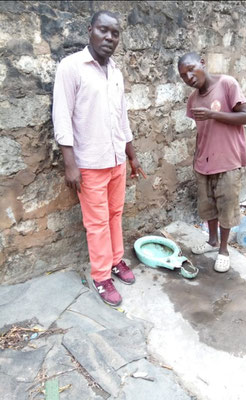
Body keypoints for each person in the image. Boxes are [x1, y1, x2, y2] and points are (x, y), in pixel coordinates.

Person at [52, 10, 146, 306]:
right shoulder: (72, 67)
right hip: (89, 163)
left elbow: (122, 119)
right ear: (90, 31)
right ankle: (102, 276)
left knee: (115, 214)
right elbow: (62, 116)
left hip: (116, 158)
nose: (109, 37)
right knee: (96, 222)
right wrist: (71, 165)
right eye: (103, 31)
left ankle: (117, 260)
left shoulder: (114, 71)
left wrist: (132, 157)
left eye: (114, 33)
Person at [178, 52, 246, 273]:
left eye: (191, 69)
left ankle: (223, 250)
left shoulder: (227, 84)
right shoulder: (193, 100)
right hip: (204, 161)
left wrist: (213, 114)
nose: (189, 77)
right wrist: (196, 158)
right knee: (207, 206)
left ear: (202, 62)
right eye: (183, 75)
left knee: (226, 207)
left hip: (228, 160)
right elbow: (201, 132)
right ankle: (211, 241)